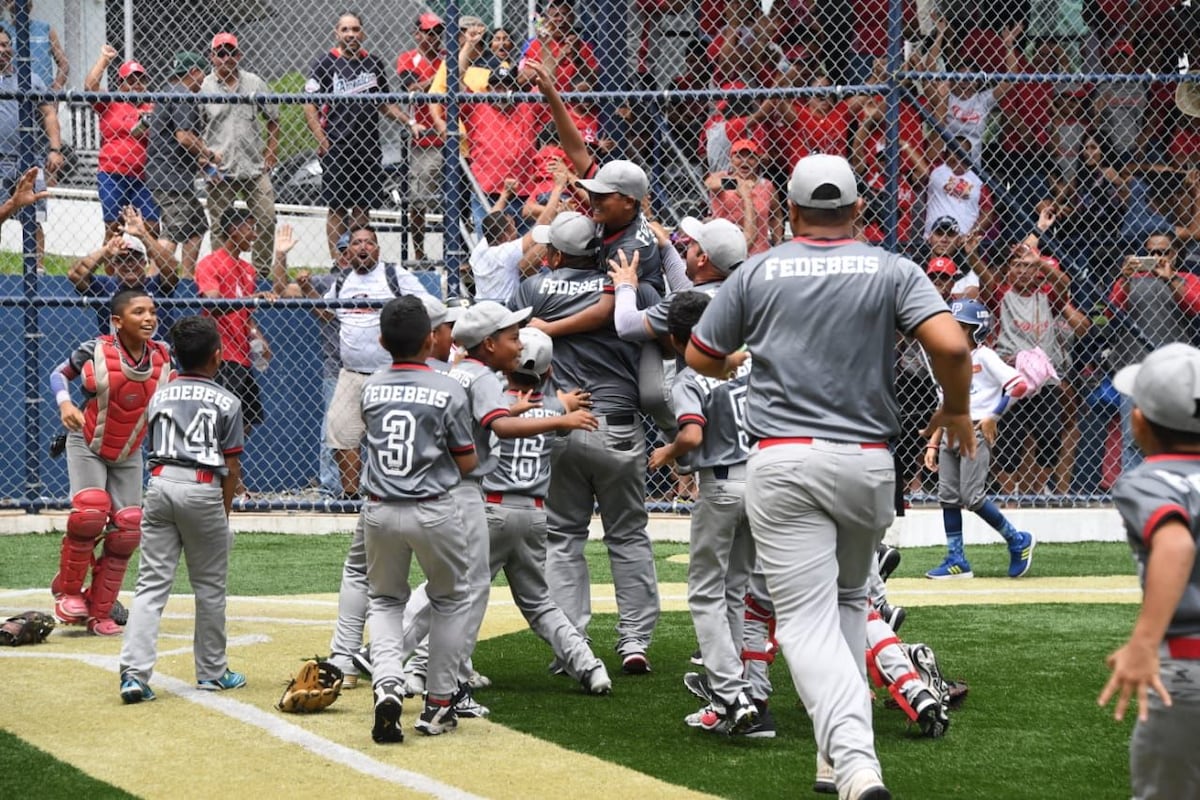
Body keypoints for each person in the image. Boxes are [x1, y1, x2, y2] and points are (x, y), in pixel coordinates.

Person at [685, 154, 973, 799]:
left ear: (789, 212)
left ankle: (857, 765)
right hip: (869, 462)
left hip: (784, 458)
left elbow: (700, 355)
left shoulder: (759, 269)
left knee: (806, 621)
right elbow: (953, 347)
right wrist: (954, 409)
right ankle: (832, 759)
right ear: (857, 212)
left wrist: (749, 346)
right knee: (849, 601)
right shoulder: (893, 268)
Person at [510, 211, 662, 675]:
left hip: (562, 424)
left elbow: (517, 344)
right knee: (629, 535)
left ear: (554, 255)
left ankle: (571, 642)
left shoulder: (534, 290)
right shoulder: (629, 289)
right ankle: (634, 640)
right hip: (617, 425)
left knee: (562, 537)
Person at [359, 295, 477, 742]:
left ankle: (387, 682)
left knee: (386, 600)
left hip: (380, 508)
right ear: (431, 339)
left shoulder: (371, 386)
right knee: (450, 599)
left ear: (382, 340)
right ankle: (438, 705)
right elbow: (466, 462)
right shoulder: (450, 387)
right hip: (434, 507)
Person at [117, 315, 247, 703]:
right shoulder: (228, 400)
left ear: (175, 357)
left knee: (151, 585)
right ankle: (212, 672)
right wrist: (221, 513)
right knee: (209, 588)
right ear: (217, 357)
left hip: (159, 484)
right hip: (202, 487)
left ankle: (134, 675)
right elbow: (233, 466)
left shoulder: (160, 394)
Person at [649, 291, 761, 735]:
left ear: (676, 340)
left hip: (722, 484)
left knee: (705, 592)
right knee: (737, 588)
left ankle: (730, 693)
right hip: (766, 478)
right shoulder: (746, 359)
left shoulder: (688, 375)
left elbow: (692, 436)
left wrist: (668, 452)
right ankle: (743, 689)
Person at [479, 326, 612, 693]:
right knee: (540, 603)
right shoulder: (555, 408)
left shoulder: (493, 404)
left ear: (506, 368)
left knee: (461, 594)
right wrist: (563, 401)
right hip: (536, 515)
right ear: (550, 372)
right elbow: (555, 410)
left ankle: (426, 667)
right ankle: (590, 667)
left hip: (493, 509)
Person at [1099, 342, 1200, 800]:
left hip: (1184, 659)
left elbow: (1176, 543)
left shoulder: (1148, 480)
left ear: (1138, 420)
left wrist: (1142, 644)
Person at [48, 288, 173, 636]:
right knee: (90, 512)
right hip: (88, 440)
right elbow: (59, 374)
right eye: (138, 312)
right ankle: (69, 592)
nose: (148, 318)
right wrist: (65, 404)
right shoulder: (96, 349)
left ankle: (101, 609)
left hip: (129, 449)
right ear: (117, 320)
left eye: (152, 312)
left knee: (129, 529)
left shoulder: (163, 356)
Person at [316, 225, 432, 498]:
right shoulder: (343, 281)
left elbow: (426, 304)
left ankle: (393, 492)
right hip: (350, 373)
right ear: (348, 251)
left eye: (369, 242)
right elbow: (324, 310)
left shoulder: (394, 275)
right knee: (340, 432)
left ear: (377, 249)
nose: (363, 247)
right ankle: (351, 497)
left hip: (389, 372)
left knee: (394, 436)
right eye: (357, 243)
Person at [923, 299, 1036, 580]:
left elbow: (1018, 384)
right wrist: (933, 442)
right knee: (948, 498)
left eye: (959, 327)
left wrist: (993, 416)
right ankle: (956, 559)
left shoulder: (984, 357)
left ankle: (1017, 539)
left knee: (972, 497)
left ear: (975, 331)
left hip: (974, 432)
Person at [304, 12, 422, 257]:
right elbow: (309, 104)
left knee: (362, 208)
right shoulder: (325, 63)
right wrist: (322, 140)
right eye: (345, 29)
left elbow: (384, 104)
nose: (351, 34)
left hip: (368, 146)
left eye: (355, 29)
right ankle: (339, 261)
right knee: (336, 207)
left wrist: (408, 121)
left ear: (363, 33)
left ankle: (359, 261)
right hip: (336, 146)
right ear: (337, 33)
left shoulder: (373, 63)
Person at [195, 207, 276, 443]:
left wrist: (258, 338)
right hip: (220, 356)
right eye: (250, 227)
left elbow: (247, 318)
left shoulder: (248, 269)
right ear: (234, 229)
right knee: (220, 423)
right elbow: (213, 304)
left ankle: (232, 471)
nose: (255, 234)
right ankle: (221, 471)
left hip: (242, 357)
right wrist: (251, 300)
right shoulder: (210, 263)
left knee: (248, 418)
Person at [201, 33, 280, 277]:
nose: (226, 58)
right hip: (220, 170)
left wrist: (271, 151)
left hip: (254, 167)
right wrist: (204, 162)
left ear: (239, 55)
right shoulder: (204, 87)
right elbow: (194, 129)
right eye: (221, 53)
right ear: (212, 57)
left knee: (267, 219)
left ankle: (260, 275)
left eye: (231, 53)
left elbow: (274, 118)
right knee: (219, 226)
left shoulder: (255, 83)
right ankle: (223, 273)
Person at [0, 27, 63, 262]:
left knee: (32, 218)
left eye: (6, 45)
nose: (2, 50)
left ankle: (37, 271)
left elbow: (49, 114)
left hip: (28, 160)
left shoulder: (30, 79)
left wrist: (55, 149)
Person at [84, 44, 159, 242]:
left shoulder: (152, 107)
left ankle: (151, 272)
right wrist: (104, 59)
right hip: (112, 174)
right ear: (121, 84)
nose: (136, 84)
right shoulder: (111, 103)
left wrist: (147, 119)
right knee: (114, 229)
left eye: (141, 80)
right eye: (130, 80)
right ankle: (112, 273)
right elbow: (90, 88)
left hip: (142, 177)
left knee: (152, 226)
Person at [145, 51, 209, 279]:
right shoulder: (183, 94)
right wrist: (208, 153)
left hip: (170, 173)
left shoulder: (167, 90)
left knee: (197, 224)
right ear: (193, 72)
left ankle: (187, 280)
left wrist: (199, 159)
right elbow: (184, 136)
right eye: (203, 74)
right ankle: (151, 283)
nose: (203, 80)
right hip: (170, 177)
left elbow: (171, 139)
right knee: (174, 227)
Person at [66, 206, 179, 334]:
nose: (129, 264)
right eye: (121, 259)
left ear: (144, 262)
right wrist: (106, 251)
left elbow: (172, 269)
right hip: (115, 351)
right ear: (114, 265)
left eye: (134, 258)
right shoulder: (105, 286)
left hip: (155, 352)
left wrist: (143, 235)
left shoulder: (158, 285)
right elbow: (75, 274)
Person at [468, 167, 567, 302]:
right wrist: (558, 188)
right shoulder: (505, 253)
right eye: (513, 228)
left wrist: (505, 194)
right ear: (505, 236)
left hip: (481, 305)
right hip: (503, 309)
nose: (517, 231)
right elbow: (539, 227)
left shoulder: (480, 250)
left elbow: (491, 220)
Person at [394, 12, 445, 261]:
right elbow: (413, 87)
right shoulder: (408, 59)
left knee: (457, 201)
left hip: (453, 136)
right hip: (424, 140)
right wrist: (444, 75)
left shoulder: (447, 58)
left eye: (437, 32)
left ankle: (458, 254)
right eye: (428, 32)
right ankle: (420, 253)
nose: (434, 37)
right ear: (418, 34)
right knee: (419, 201)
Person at [704, 139, 782, 255]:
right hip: (726, 253)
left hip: (758, 254)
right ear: (731, 160)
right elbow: (709, 184)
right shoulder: (721, 177)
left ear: (757, 161)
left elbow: (776, 215)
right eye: (739, 156)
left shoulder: (766, 186)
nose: (745, 161)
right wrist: (738, 184)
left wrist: (778, 245)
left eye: (751, 157)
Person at [1, 1, 68, 90]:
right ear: (6, 4)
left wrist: (54, 93)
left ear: (31, 5)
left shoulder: (45, 28)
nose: (15, 4)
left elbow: (63, 63)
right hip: (11, 93)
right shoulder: (2, 30)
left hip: (43, 94)